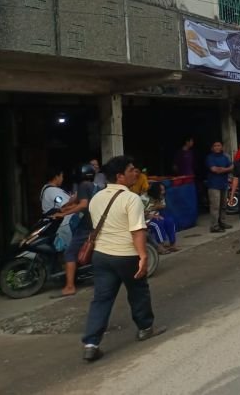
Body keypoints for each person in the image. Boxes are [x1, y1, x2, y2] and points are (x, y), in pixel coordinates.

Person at [81, 155, 165, 362]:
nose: (135, 173)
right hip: (126, 255)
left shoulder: (97, 198)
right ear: (119, 176)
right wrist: (143, 256)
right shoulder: (131, 199)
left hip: (101, 255)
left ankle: (91, 343)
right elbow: (137, 231)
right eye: (131, 170)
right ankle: (145, 328)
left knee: (101, 299)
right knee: (138, 292)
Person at [55, 163, 96, 296]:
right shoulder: (93, 185)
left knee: (70, 254)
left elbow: (83, 204)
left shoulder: (83, 185)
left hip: (86, 227)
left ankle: (70, 286)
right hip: (93, 225)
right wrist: (64, 208)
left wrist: (63, 214)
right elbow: (75, 199)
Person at [143, 181, 179, 254]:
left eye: (164, 190)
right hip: (145, 219)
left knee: (169, 221)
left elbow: (163, 205)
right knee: (157, 224)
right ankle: (160, 246)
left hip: (157, 215)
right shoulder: (144, 198)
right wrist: (152, 214)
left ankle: (172, 244)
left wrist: (157, 207)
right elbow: (139, 213)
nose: (163, 192)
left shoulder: (160, 196)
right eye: (161, 190)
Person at [206, 141, 234, 233]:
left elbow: (232, 167)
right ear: (212, 148)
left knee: (223, 206)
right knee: (215, 206)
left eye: (219, 145)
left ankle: (222, 222)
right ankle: (214, 226)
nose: (217, 147)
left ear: (222, 147)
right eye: (215, 146)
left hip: (224, 184)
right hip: (214, 185)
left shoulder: (225, 157)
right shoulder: (210, 157)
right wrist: (226, 169)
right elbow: (214, 170)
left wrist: (223, 169)